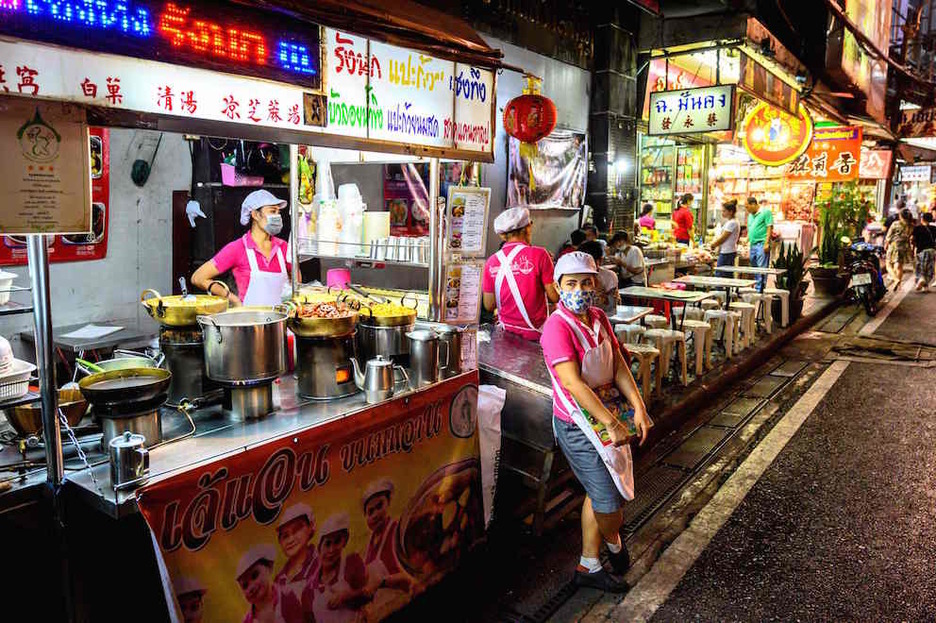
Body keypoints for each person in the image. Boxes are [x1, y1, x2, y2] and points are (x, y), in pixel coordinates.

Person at [540, 252, 651, 592]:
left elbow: (617, 364)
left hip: (611, 414)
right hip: (577, 424)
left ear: (597, 285)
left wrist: (638, 407)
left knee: (603, 488)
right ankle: (613, 542)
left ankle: (590, 562)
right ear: (558, 288)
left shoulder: (599, 317)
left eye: (586, 282)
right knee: (607, 498)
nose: (579, 290)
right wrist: (610, 423)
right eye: (571, 284)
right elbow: (572, 383)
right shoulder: (556, 327)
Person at [192, 189, 298, 307]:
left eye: (278, 212)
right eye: (272, 211)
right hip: (250, 322)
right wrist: (232, 298)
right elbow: (198, 278)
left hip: (280, 323)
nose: (277, 216)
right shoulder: (237, 248)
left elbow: (296, 280)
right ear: (255, 215)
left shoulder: (283, 247)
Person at [482, 207, 559, 340]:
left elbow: (489, 305)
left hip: (505, 333)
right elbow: (554, 297)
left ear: (503, 235)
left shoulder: (491, 261)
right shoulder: (540, 254)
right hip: (535, 334)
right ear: (527, 227)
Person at [361, 479, 413, 618]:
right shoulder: (368, 547)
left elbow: (412, 576)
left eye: (380, 506)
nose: (376, 514)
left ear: (388, 502)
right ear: (365, 517)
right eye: (370, 511)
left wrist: (382, 582)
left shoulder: (398, 531)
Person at [313, 513, 370, 623]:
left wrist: (346, 596)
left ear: (345, 541)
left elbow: (368, 595)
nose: (331, 550)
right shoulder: (312, 583)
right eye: (327, 544)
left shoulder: (351, 563)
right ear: (319, 547)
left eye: (337, 542)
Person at [235, 543, 309, 623]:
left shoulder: (286, 596)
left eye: (255, 575)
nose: (252, 586)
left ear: (268, 568)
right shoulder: (248, 621)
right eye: (245, 586)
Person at [274, 503, 319, 603]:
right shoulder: (279, 579)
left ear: (311, 526)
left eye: (297, 530)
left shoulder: (322, 562)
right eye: (285, 536)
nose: (290, 540)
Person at [578, 241, 620, 315]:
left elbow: (612, 306)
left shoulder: (609, 276)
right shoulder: (576, 277)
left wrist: (602, 293)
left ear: (600, 261)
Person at [745, 196, 773, 292]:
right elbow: (751, 229)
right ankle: (757, 286)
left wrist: (766, 243)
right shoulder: (750, 216)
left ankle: (760, 289)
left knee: (762, 268)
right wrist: (747, 240)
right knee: (754, 266)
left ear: (753, 204)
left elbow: (769, 227)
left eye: (747, 207)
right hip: (753, 245)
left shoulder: (766, 212)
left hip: (761, 244)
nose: (746, 209)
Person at [885, 208, 914, 286]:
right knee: (899, 266)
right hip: (905, 247)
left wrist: (886, 244)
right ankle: (899, 284)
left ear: (900, 216)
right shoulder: (911, 225)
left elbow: (888, 236)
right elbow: (911, 238)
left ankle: (896, 279)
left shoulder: (895, 224)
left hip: (895, 246)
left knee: (888, 264)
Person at [710, 200, 741, 267]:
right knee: (725, 273)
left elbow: (723, 238)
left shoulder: (732, 223)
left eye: (724, 211)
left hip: (727, 252)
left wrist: (713, 244)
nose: (722, 213)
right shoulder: (730, 222)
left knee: (721, 273)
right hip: (727, 251)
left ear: (730, 212)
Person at [911, 211, 936, 291]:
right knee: (929, 268)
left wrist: (912, 250)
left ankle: (921, 279)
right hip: (932, 250)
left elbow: (912, 240)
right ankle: (925, 286)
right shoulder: (934, 228)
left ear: (922, 219)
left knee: (920, 267)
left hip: (921, 251)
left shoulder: (917, 228)